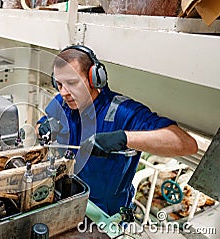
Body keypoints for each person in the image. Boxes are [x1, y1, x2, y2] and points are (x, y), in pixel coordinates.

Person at [37, 45, 198, 216]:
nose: (64, 92)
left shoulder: (123, 112)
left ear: (94, 78)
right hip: (67, 197)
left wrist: (124, 138)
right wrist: (44, 128)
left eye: (72, 83)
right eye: (59, 84)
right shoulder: (63, 103)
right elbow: (40, 125)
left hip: (105, 212)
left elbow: (187, 144)